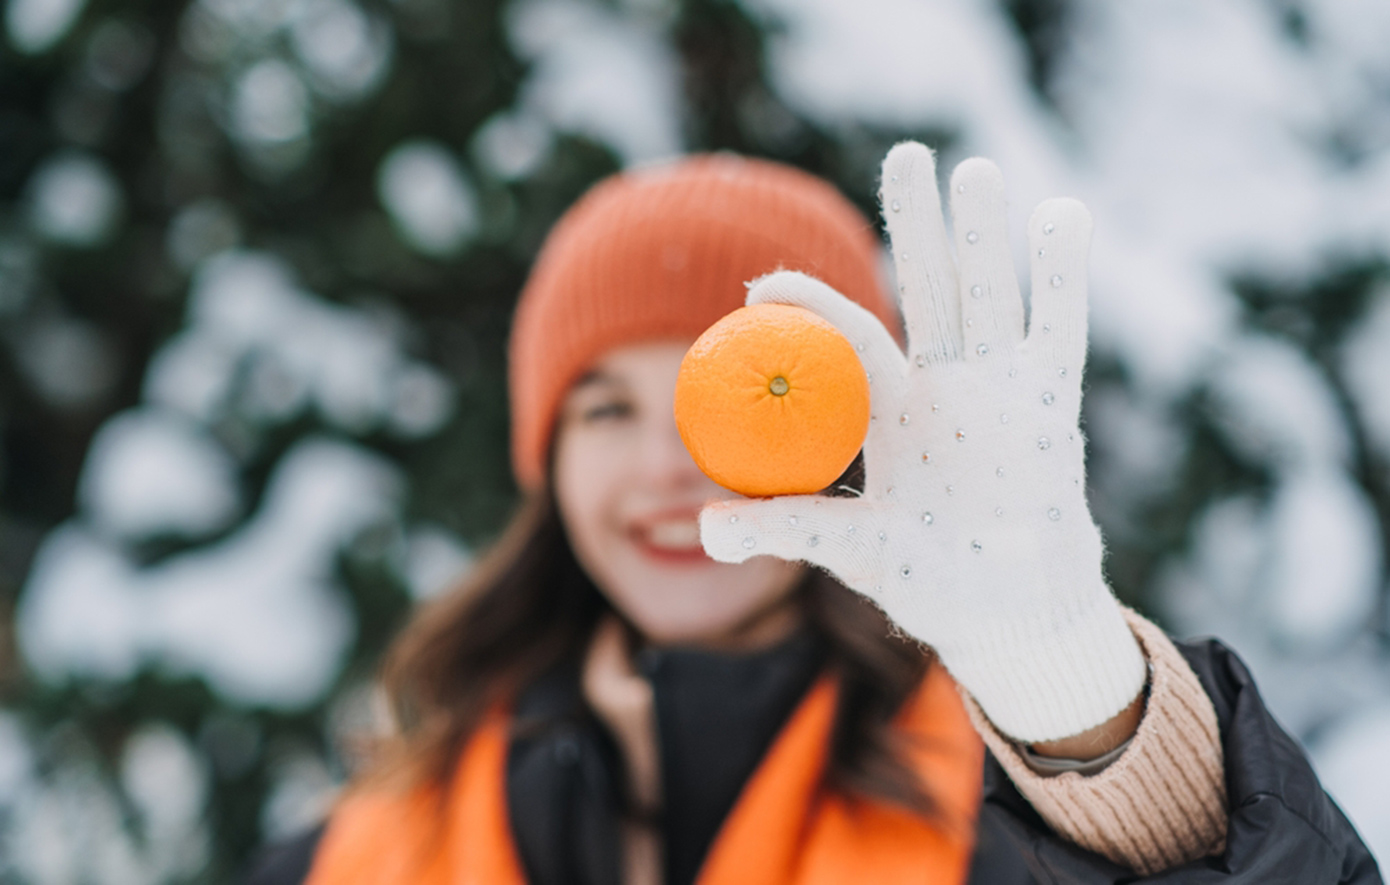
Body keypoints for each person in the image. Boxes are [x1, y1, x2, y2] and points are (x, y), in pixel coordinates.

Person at [248, 144, 1382, 884]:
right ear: (544, 463)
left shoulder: (995, 809)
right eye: (603, 409)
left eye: (714, 395)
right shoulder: (370, 838)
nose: (665, 466)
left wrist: (1075, 702)